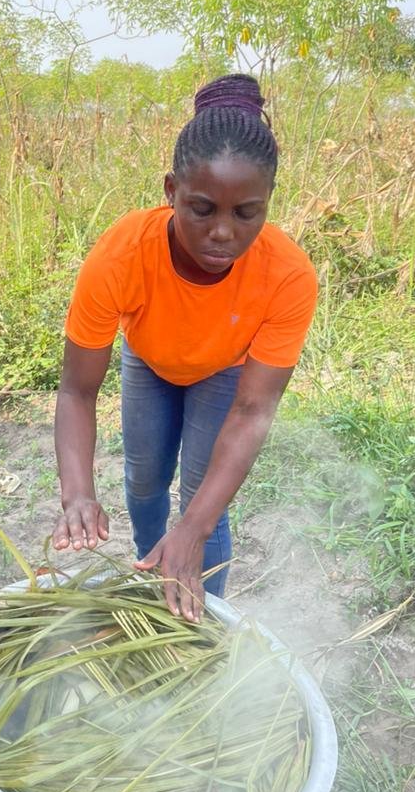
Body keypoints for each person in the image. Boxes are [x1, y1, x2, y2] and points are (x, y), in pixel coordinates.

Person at [52, 74, 318, 621]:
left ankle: (201, 617)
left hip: (225, 371)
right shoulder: (122, 255)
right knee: (144, 479)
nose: (222, 232)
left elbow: (253, 410)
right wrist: (77, 492)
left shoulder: (288, 275)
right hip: (149, 361)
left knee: (202, 506)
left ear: (268, 202)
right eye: (202, 209)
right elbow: (77, 391)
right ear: (171, 190)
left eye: (246, 213)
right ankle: (153, 574)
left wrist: (193, 529)